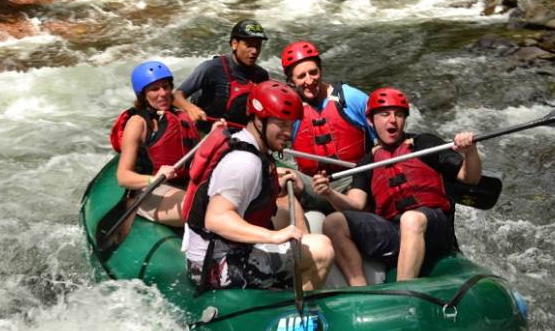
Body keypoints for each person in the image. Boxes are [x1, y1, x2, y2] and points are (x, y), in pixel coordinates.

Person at [311, 87, 481, 286]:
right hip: (394, 231)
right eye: (384, 115)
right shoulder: (368, 161)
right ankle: (360, 289)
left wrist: (470, 152)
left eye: (399, 115)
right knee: (333, 222)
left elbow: (469, 178)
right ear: (370, 121)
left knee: (411, 219)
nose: (392, 120)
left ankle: (403, 291)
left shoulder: (424, 143)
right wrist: (329, 193)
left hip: (434, 228)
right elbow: (355, 204)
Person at [182, 80, 335, 292]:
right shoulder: (244, 163)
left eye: (290, 125)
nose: (288, 133)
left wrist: (275, 187)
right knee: (322, 249)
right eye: (281, 124)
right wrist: (272, 237)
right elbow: (216, 219)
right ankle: (290, 312)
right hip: (214, 266)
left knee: (284, 213)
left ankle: (287, 283)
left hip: (221, 251)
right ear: (259, 121)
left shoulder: (247, 143)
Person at [280, 41, 375, 212]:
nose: (309, 80)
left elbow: (383, 140)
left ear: (321, 70)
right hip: (314, 185)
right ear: (291, 81)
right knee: (281, 177)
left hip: (355, 182)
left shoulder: (352, 98)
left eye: (313, 72)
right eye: (301, 76)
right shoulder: (289, 110)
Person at [110, 61, 200, 227]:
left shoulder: (180, 117)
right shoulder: (138, 123)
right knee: (199, 208)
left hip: (183, 184)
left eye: (166, 87)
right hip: (149, 190)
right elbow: (123, 177)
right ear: (143, 94)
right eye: (154, 89)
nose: (163, 93)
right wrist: (154, 179)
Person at [173, 19, 270, 130]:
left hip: (241, 136)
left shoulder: (261, 76)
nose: (254, 51)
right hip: (208, 134)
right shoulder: (211, 68)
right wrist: (190, 108)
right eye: (249, 45)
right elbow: (176, 96)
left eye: (258, 46)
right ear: (234, 44)